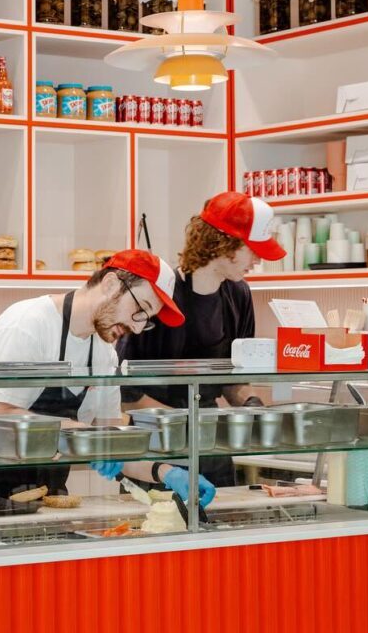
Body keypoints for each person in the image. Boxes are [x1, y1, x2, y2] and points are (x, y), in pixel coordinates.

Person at [0, 250, 195, 498]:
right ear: (110, 284)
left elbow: (108, 440)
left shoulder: (104, 352)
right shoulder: (29, 323)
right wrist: (82, 434)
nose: (138, 327)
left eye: (147, 320)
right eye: (141, 309)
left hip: (47, 490)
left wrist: (164, 472)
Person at [119, 191, 287, 489]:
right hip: (155, 449)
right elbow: (124, 392)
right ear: (224, 244)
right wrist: (186, 423)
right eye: (253, 250)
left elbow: (233, 374)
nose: (258, 260)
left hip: (212, 447)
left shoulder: (239, 294)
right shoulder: (160, 292)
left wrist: (250, 404)